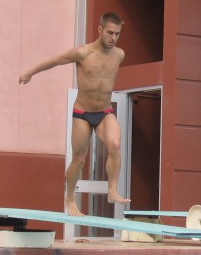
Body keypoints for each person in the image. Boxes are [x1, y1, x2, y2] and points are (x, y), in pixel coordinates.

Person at [19, 12, 131, 216]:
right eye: (110, 33)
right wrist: (30, 72)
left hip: (105, 111)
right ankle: (70, 197)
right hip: (82, 113)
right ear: (100, 30)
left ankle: (112, 190)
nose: (113, 38)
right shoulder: (83, 53)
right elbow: (55, 61)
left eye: (117, 34)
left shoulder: (119, 55)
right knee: (79, 159)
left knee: (115, 144)